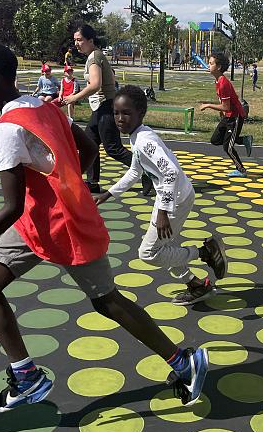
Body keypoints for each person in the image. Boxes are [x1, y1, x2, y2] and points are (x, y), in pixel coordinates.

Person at [0, 43, 209, 413]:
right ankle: (27, 376)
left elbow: (11, 206)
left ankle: (183, 362)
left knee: (107, 302)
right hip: (39, 220)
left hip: (63, 224)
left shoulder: (6, 129)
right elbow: (87, 150)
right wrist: (68, 184)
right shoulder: (44, 105)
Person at [92, 85, 228, 305]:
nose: (119, 118)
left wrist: (163, 211)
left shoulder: (145, 141)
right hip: (173, 196)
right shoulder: (137, 136)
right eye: (116, 113)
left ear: (141, 114)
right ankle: (196, 286)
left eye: (126, 113)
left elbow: (171, 172)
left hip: (176, 199)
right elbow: (135, 171)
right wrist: (108, 194)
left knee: (148, 253)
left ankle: (205, 252)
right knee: (164, 249)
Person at [61, 25, 152, 195]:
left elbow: (95, 85)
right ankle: (92, 182)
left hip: (106, 107)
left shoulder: (94, 58)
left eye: (80, 40)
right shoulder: (95, 56)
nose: (76, 43)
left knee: (113, 148)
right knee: (90, 145)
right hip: (101, 108)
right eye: (75, 40)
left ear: (90, 40)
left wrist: (74, 98)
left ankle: (148, 173)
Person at [200, 52, 253, 176]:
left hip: (235, 117)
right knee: (215, 140)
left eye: (211, 63)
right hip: (228, 116)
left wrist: (208, 105)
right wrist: (222, 114)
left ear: (218, 67)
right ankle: (243, 140)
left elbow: (226, 106)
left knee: (228, 147)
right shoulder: (218, 81)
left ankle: (241, 170)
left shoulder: (223, 83)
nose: (208, 65)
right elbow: (224, 103)